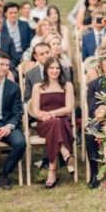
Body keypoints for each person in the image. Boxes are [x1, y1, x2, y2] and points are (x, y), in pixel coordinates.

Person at [30, 58, 75, 188]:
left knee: (56, 125)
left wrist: (52, 114)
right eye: (52, 68)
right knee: (55, 124)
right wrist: (43, 116)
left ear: (61, 70)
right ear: (46, 70)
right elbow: (35, 110)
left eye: (57, 68)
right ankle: (66, 154)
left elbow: (69, 108)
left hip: (61, 122)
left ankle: (52, 172)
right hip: (44, 124)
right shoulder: (38, 87)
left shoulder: (67, 86)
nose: (55, 71)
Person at [0, 51, 26, 190]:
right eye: (1, 64)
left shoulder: (14, 87)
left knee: (20, 143)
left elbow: (17, 112)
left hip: (7, 124)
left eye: (7, 65)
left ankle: (4, 175)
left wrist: (9, 127)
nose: (4, 68)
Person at [85, 56, 106, 187]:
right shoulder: (94, 84)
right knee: (90, 132)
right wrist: (104, 112)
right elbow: (92, 108)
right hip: (100, 119)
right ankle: (94, 172)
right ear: (103, 67)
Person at [1, 3, 33, 70]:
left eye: (15, 13)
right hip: (8, 56)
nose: (13, 15)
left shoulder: (24, 25)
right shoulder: (1, 28)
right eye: (11, 13)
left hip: (24, 55)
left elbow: (31, 39)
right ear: (5, 14)